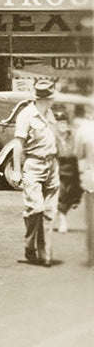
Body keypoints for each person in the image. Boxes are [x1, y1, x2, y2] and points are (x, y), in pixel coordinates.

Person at [11, 78, 60, 266]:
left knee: (49, 212)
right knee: (36, 208)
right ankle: (30, 245)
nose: (53, 101)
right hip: (34, 165)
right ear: (44, 99)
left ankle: (45, 253)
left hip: (52, 166)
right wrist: (16, 171)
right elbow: (18, 144)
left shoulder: (50, 114)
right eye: (51, 98)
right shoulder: (26, 115)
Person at [55, 108, 80, 235]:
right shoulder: (53, 138)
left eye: (64, 122)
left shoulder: (73, 136)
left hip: (74, 169)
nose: (62, 125)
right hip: (59, 169)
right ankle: (63, 221)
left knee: (73, 195)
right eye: (59, 123)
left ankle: (73, 202)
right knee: (62, 193)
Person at [74, 107, 94, 267]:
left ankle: (92, 257)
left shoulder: (85, 130)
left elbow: (79, 154)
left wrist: (83, 174)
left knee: (92, 220)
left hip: (91, 179)